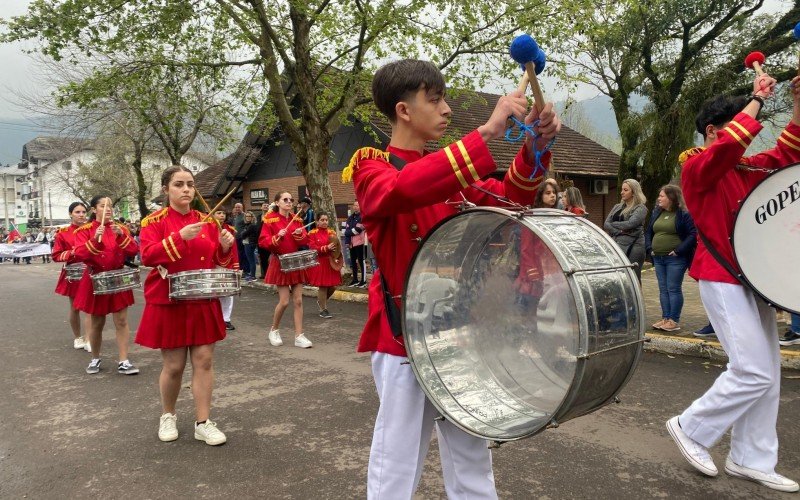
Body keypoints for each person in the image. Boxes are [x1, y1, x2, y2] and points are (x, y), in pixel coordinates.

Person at [345, 58, 561, 498]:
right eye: (436, 99)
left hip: (459, 333)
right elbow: (404, 190)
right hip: (404, 336)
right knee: (398, 456)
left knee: (472, 451)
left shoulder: (450, 173)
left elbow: (508, 198)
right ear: (404, 110)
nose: (446, 109)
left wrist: (536, 146)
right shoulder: (372, 168)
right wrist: (483, 135)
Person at [665, 72, 800, 492]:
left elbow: (788, 153)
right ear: (712, 130)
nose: (750, 138)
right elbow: (727, 147)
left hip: (751, 280)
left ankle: (750, 458)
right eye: (741, 122)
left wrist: (797, 103)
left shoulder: (746, 166)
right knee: (753, 370)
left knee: (768, 373)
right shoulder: (697, 167)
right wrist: (757, 100)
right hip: (720, 277)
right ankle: (691, 427)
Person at [136, 165, 237, 445]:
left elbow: (219, 261)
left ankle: (203, 422)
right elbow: (147, 256)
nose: (186, 190)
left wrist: (226, 246)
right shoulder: (153, 222)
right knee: (174, 365)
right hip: (170, 299)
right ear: (166, 189)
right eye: (179, 184)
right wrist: (179, 238)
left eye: (190, 184)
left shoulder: (208, 221)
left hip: (202, 298)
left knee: (204, 361)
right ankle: (168, 415)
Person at [72, 195, 140, 375]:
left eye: (110, 206)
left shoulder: (121, 229)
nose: (108, 209)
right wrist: (95, 239)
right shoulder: (84, 230)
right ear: (94, 209)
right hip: (95, 279)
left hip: (118, 277)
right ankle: (95, 358)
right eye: (103, 206)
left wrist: (120, 236)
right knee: (97, 322)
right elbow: (79, 254)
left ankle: (124, 360)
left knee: (122, 320)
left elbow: (133, 250)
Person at [259, 191, 313, 348]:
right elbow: (263, 242)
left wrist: (299, 234)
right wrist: (278, 237)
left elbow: (305, 239)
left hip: (295, 261)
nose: (289, 202)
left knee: (298, 300)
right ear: (277, 203)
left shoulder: (297, 219)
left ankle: (299, 335)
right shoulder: (269, 220)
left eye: (291, 200)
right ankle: (274, 330)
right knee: (284, 302)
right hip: (280, 262)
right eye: (285, 199)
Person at [645, 185, 697, 332]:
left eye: (662, 196)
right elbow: (648, 232)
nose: (658, 198)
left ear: (671, 198)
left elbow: (692, 234)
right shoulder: (657, 212)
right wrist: (650, 249)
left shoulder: (683, 214)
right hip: (658, 257)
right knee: (663, 289)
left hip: (675, 259)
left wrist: (678, 251)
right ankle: (666, 318)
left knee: (673, 288)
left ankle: (674, 320)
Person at [51, 202, 91, 351]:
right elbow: (56, 255)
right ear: (70, 214)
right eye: (77, 212)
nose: (81, 215)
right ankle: (78, 337)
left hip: (90, 270)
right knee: (75, 307)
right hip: (73, 274)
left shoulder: (92, 230)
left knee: (90, 308)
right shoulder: (63, 233)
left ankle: (89, 338)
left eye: (83, 212)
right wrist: (73, 252)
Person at [604, 179, 647, 283]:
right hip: (617, 244)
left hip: (634, 247)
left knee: (633, 278)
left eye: (625, 190)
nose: (621, 192)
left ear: (634, 192)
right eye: (622, 189)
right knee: (618, 277)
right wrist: (619, 231)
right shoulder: (617, 207)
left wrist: (613, 224)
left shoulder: (641, 208)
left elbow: (631, 223)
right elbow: (606, 224)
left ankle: (637, 299)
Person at [307, 212, 342, 319]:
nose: (325, 222)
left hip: (331, 262)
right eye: (322, 220)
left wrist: (338, 257)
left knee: (334, 286)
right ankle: (323, 309)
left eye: (326, 220)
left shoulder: (332, 232)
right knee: (323, 286)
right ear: (317, 221)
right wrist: (326, 248)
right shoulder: (312, 233)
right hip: (320, 262)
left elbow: (337, 248)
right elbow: (312, 248)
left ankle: (321, 301)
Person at [214, 209, 239, 330]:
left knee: (228, 294)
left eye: (223, 213)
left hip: (227, 264)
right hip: (212, 264)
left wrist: (236, 265)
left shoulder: (230, 229)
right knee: (214, 293)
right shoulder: (207, 228)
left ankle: (226, 319)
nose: (222, 215)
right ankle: (214, 318)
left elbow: (233, 248)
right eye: (218, 213)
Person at [344, 201, 366, 287]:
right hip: (351, 244)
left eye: (357, 205)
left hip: (360, 243)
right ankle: (355, 279)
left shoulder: (362, 217)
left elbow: (358, 229)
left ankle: (363, 281)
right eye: (354, 205)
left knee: (361, 261)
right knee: (353, 262)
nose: (355, 207)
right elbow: (347, 229)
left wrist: (348, 232)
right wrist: (347, 242)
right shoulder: (350, 218)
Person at [236, 211, 259, 281]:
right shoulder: (248, 225)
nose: (248, 218)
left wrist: (243, 233)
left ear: (252, 217)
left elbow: (243, 235)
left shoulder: (252, 225)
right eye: (246, 216)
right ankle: (252, 274)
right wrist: (243, 233)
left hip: (250, 243)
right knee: (250, 260)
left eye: (249, 216)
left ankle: (253, 276)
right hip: (248, 243)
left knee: (251, 260)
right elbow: (243, 234)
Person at [232, 202, 248, 278]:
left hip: (242, 238)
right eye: (236, 207)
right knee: (238, 255)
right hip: (236, 238)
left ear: (242, 208)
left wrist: (243, 234)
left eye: (239, 207)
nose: (237, 209)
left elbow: (248, 226)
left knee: (243, 255)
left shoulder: (245, 216)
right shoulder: (236, 216)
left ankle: (245, 271)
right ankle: (240, 269)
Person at [256, 201, 271, 279]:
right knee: (262, 258)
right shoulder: (258, 217)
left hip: (268, 240)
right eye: (264, 205)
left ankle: (270, 275)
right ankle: (265, 274)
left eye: (267, 205)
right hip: (260, 241)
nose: (265, 206)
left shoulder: (271, 216)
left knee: (270, 258)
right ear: (261, 207)